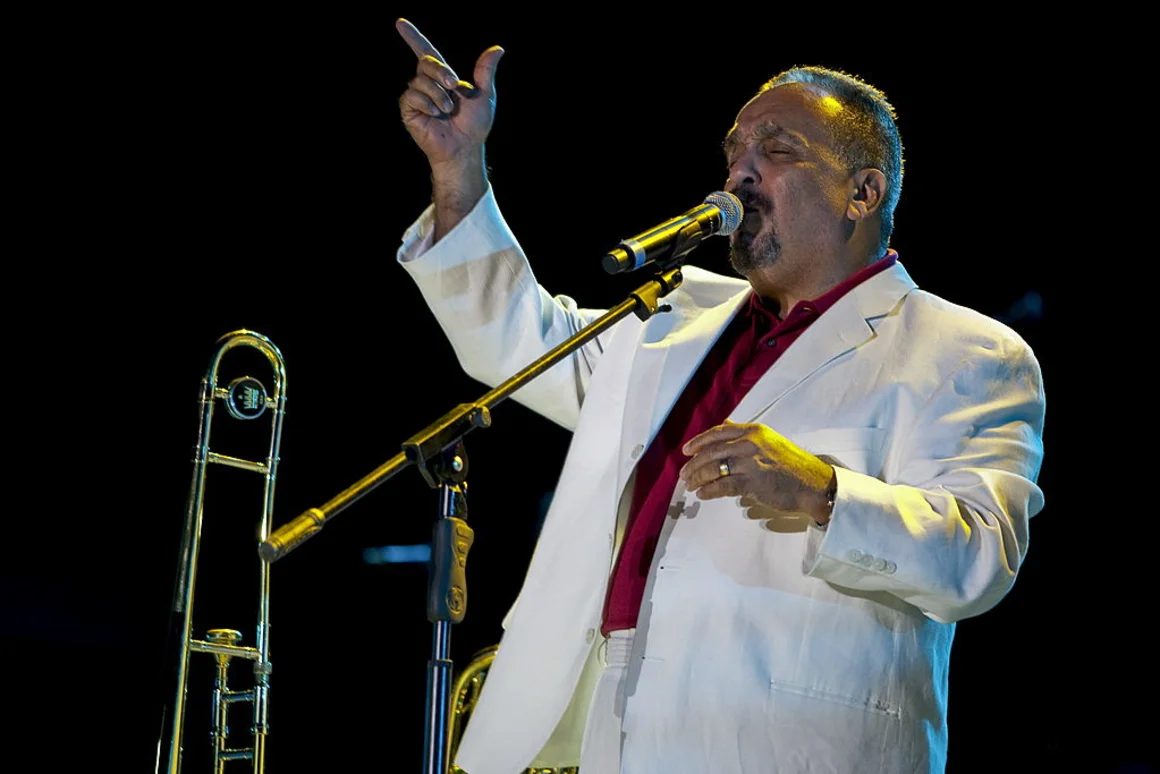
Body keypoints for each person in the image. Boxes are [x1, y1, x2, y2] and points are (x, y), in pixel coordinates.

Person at [394, 18, 1045, 774]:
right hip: (614, 724)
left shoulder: (966, 351)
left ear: (863, 192)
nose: (739, 170)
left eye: (778, 149)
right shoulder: (675, 315)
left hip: (793, 743)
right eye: (735, 149)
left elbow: (978, 555)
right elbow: (513, 342)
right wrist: (459, 166)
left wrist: (826, 492)